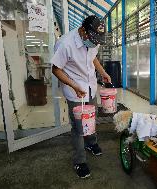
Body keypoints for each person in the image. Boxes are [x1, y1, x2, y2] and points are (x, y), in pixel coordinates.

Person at [51, 15, 111, 178]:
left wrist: (103, 72)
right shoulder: (65, 44)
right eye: (92, 38)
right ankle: (79, 161)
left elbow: (93, 58)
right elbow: (56, 69)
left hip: (90, 87)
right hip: (75, 90)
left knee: (91, 119)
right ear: (83, 31)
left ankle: (91, 143)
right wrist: (74, 85)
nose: (95, 42)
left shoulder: (92, 39)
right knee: (78, 127)